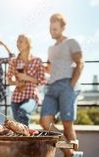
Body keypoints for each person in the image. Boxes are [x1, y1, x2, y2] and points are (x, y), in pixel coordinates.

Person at [39, 13, 84, 157]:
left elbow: (80, 63)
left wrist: (71, 85)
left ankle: (69, 154)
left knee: (67, 125)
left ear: (63, 27)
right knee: (45, 122)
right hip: (51, 86)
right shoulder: (50, 49)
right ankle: (69, 152)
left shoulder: (72, 42)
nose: (52, 31)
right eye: (51, 29)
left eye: (55, 29)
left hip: (67, 85)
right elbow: (50, 69)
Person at [7, 34, 46, 127]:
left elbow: (42, 81)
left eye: (20, 41)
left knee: (23, 112)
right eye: (17, 41)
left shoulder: (37, 60)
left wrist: (26, 78)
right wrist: (15, 82)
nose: (17, 43)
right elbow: (9, 79)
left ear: (28, 44)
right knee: (18, 126)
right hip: (16, 97)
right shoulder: (14, 61)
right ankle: (26, 139)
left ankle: (27, 140)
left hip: (31, 96)